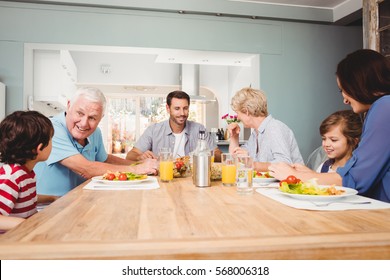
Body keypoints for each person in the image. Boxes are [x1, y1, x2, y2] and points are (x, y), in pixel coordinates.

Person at [269, 49, 390, 202]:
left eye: (343, 90)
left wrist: (293, 176)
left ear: (359, 83)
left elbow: (355, 181)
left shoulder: (384, 107)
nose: (344, 100)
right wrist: (312, 176)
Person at [35, 87, 158, 197]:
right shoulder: (52, 129)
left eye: (92, 118)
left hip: (79, 200)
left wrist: (139, 165)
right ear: (69, 105)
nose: (84, 123)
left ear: (101, 117)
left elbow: (104, 159)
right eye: (80, 113)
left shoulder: (95, 132)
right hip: (49, 206)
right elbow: (86, 168)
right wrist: (137, 170)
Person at [126, 90, 221, 162]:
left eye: (185, 108)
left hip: (191, 180)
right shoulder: (153, 130)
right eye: (177, 109)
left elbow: (218, 154)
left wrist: (204, 154)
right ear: (168, 108)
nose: (182, 113)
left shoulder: (199, 129)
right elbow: (130, 155)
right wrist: (140, 157)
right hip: (162, 180)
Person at [0, 111, 55, 232]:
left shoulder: (25, 173)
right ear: (39, 148)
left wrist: (52, 198)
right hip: (10, 243)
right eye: (51, 139)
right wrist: (28, 224)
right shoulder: (11, 176)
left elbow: (25, 198)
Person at [228, 87, 303, 172]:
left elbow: (284, 164)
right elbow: (236, 158)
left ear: (246, 111)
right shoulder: (255, 134)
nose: (237, 117)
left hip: (292, 183)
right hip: (269, 184)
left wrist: (253, 164)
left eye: (238, 113)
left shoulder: (274, 128)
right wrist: (234, 136)